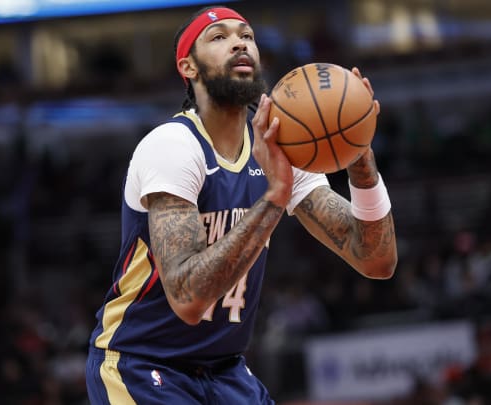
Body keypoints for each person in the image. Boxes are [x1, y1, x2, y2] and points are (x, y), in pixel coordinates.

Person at [86, 5, 397, 404]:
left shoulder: (276, 146)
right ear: (189, 67)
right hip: (143, 365)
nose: (239, 43)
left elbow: (376, 260)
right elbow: (188, 298)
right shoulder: (173, 146)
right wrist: (273, 199)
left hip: (226, 370)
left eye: (247, 36)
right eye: (219, 38)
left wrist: (362, 165)